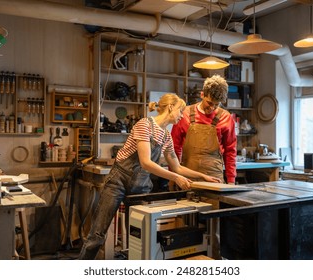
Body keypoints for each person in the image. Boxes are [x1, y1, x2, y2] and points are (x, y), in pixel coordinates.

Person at [78, 93, 221, 260]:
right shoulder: (144, 124)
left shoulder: (167, 136)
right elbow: (146, 162)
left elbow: (177, 167)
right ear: (170, 108)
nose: (182, 115)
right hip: (118, 181)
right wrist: (175, 178)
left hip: (140, 185)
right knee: (97, 234)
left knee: (138, 236)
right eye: (180, 111)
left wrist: (203, 176)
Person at [171, 74, 237, 184]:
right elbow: (174, 148)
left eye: (216, 105)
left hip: (215, 179)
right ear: (202, 95)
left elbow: (230, 151)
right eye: (209, 103)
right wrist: (173, 177)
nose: (212, 108)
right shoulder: (185, 114)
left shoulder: (226, 118)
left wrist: (231, 180)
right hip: (187, 177)